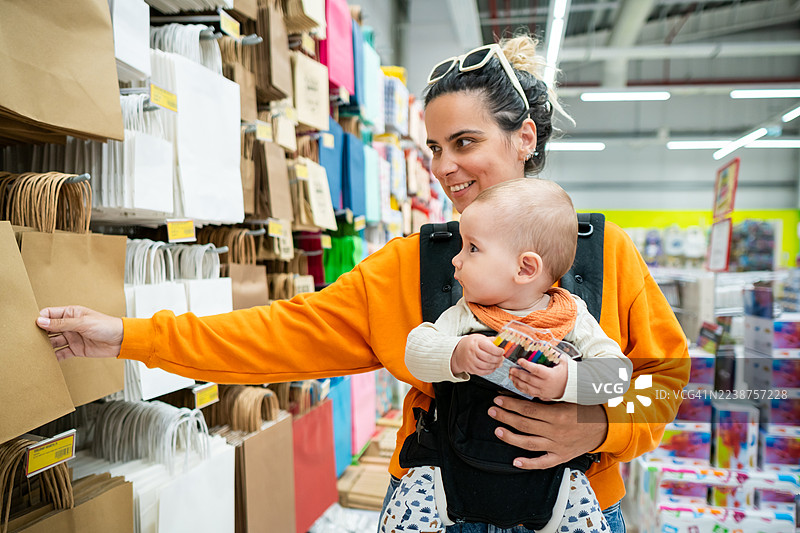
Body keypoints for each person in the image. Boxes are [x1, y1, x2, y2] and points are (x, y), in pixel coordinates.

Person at [36, 34, 690, 533]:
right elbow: (278, 335)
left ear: (524, 137)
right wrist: (124, 335)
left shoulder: (605, 254)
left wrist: (600, 425)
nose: (444, 167)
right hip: (437, 511)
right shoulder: (417, 264)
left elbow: (664, 378)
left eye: (463, 142)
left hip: (575, 510)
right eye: (433, 148)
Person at [381, 178, 631, 533]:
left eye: (472, 248)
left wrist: (567, 381)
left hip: (554, 483)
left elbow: (618, 377)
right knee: (406, 511)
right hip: (452, 477)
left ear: (525, 268)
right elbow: (416, 349)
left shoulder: (572, 318)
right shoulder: (465, 313)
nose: (456, 258)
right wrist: (455, 353)